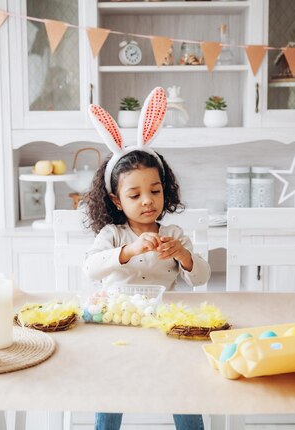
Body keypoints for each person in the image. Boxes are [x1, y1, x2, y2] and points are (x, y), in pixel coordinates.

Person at [82, 87, 210, 430]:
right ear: (117, 200)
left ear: (164, 190)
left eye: (155, 191)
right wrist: (130, 250)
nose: (147, 201)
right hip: (117, 322)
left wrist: (183, 255)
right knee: (112, 385)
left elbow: (201, 278)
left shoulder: (174, 234)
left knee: (181, 382)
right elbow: (91, 268)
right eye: (135, 194)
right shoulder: (113, 235)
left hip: (164, 324)